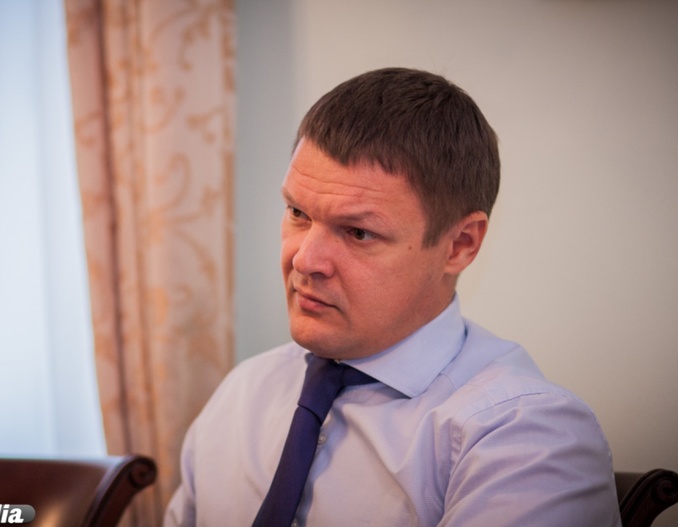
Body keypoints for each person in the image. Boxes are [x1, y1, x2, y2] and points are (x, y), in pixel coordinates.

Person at [163, 68, 621, 526]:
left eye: (358, 232)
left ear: (459, 245)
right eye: (298, 213)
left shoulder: (522, 437)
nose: (304, 260)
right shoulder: (243, 393)